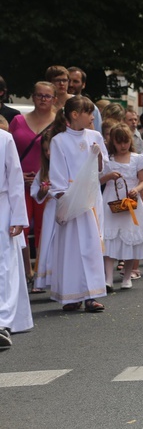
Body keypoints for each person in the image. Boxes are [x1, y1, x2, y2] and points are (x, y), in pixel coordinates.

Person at [48, 96, 107, 312]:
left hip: (90, 198)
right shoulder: (59, 141)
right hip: (72, 198)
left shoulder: (96, 136)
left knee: (91, 246)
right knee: (71, 247)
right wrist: (66, 197)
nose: (93, 117)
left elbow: (103, 167)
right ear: (74, 115)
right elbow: (57, 174)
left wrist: (98, 155)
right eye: (89, 112)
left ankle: (92, 295)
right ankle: (71, 295)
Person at [9, 81, 57, 290]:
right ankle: (26, 271)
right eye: (39, 95)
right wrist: (18, 175)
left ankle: (41, 273)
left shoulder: (59, 123)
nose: (42, 99)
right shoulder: (18, 121)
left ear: (54, 99)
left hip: (48, 183)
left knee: (44, 228)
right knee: (21, 225)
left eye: (47, 96)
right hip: (19, 183)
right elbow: (8, 153)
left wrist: (43, 178)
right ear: (32, 96)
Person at [99, 123, 143, 290]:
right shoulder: (108, 160)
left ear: (130, 141)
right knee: (109, 239)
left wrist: (136, 189)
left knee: (132, 238)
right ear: (112, 143)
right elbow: (97, 180)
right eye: (118, 142)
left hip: (131, 201)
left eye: (125, 142)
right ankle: (108, 278)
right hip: (111, 201)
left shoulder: (138, 159)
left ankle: (127, 276)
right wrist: (108, 176)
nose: (123, 146)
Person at [0, 126, 32, 350]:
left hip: (2, 206)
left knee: (5, 264)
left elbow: (14, 179)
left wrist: (18, 216)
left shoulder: (5, 139)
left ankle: (2, 322)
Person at [30, 133, 55, 292]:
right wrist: (43, 191)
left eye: (50, 149)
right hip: (51, 209)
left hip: (65, 208)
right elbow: (36, 194)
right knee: (47, 243)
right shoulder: (43, 171)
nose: (48, 153)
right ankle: (45, 278)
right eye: (45, 150)